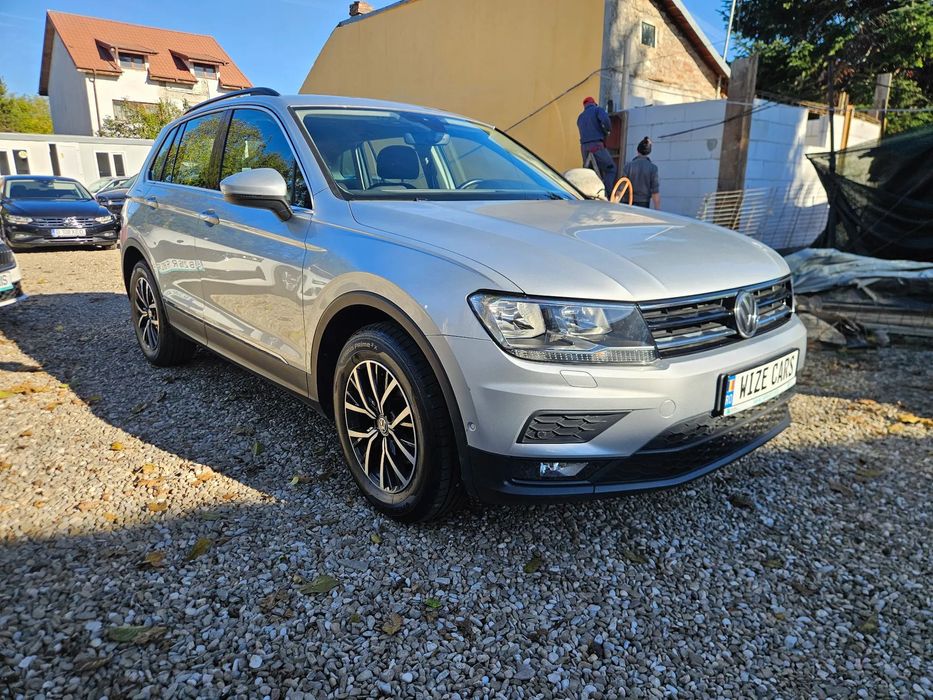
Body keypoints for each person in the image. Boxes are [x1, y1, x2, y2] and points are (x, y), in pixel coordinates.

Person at [576, 96, 617, 194]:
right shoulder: (597, 110)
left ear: (585, 106)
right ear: (594, 103)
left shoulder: (580, 117)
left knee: (589, 172)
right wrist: (608, 130)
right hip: (596, 146)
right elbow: (605, 120)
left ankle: (587, 193)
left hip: (584, 149)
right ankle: (607, 194)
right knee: (611, 169)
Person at [623, 137, 660, 209]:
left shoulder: (628, 166)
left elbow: (621, 187)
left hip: (627, 202)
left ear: (637, 150)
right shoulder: (653, 168)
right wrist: (657, 210)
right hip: (643, 204)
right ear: (649, 152)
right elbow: (655, 192)